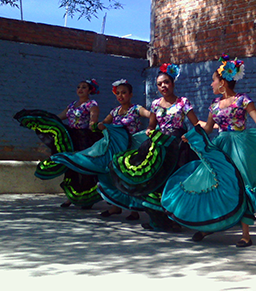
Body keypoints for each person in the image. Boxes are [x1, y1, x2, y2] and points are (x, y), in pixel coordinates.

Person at [183, 54, 256, 247]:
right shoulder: (214, 106)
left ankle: (245, 234)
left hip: (240, 147)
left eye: (213, 81)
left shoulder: (243, 100)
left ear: (223, 82)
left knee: (242, 184)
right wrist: (192, 133)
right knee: (214, 182)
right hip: (221, 146)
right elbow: (208, 129)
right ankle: (208, 226)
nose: (211, 85)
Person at [110, 63, 201, 232]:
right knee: (155, 182)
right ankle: (158, 220)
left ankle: (177, 220)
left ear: (172, 83)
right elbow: (151, 126)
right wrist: (151, 133)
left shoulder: (183, 102)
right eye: (159, 84)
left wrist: (211, 125)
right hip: (158, 146)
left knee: (175, 182)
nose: (163, 86)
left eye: (166, 82)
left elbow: (196, 123)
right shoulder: (155, 104)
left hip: (178, 146)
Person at [15, 79, 103, 209]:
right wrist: (46, 121)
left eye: (84, 87)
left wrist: (93, 131)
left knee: (84, 168)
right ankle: (70, 197)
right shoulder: (72, 104)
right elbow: (60, 117)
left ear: (90, 90)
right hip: (71, 138)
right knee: (69, 166)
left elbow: (92, 122)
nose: (80, 89)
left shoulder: (92, 104)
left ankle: (86, 199)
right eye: (79, 87)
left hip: (84, 139)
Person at [95, 79, 152, 220]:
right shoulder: (114, 112)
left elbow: (152, 115)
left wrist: (150, 128)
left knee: (129, 177)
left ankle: (134, 210)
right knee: (113, 176)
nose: (120, 96)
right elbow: (104, 123)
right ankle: (116, 207)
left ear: (131, 94)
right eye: (118, 93)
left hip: (133, 149)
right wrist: (100, 125)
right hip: (117, 149)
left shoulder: (136, 109)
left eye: (124, 93)